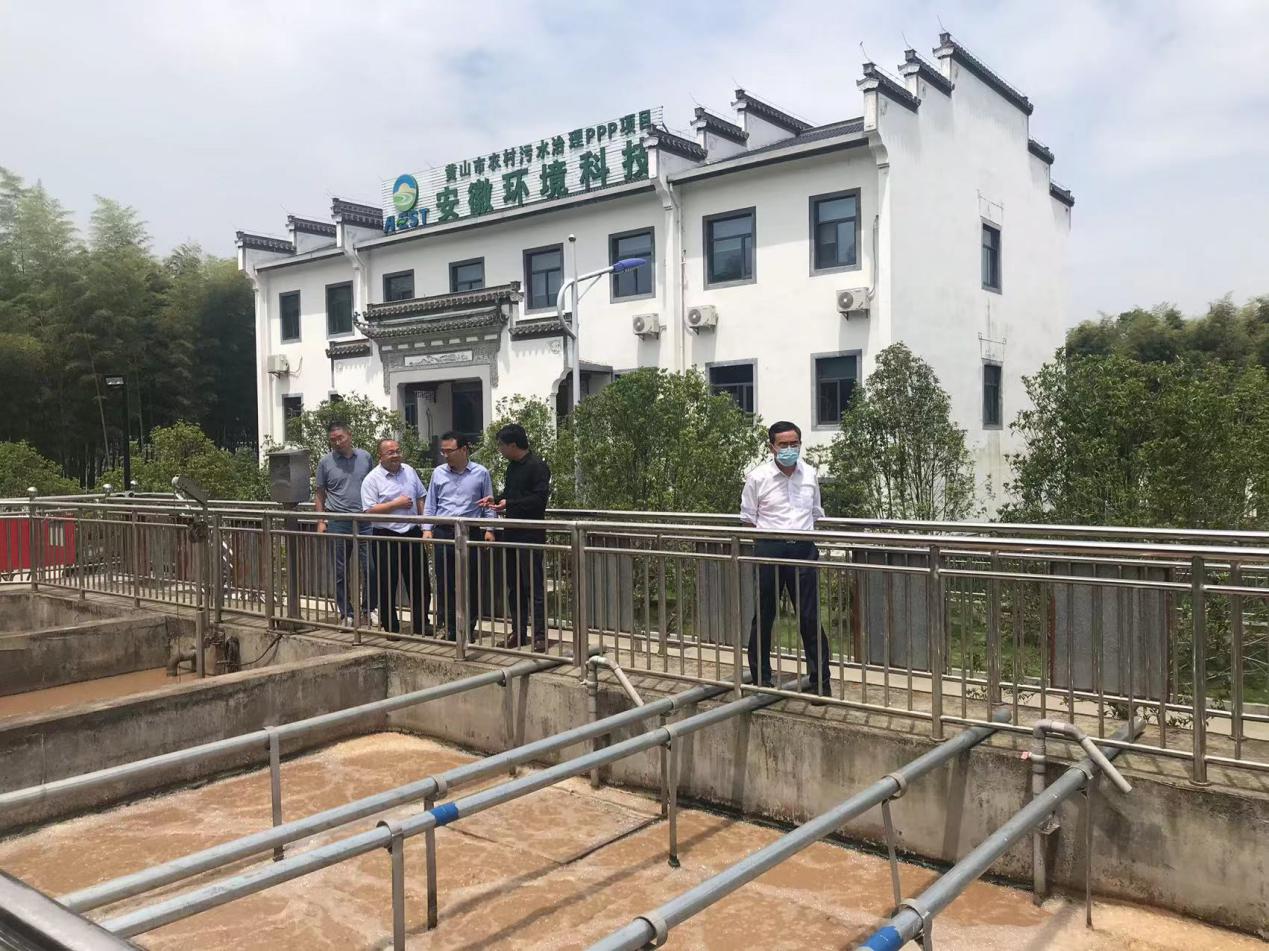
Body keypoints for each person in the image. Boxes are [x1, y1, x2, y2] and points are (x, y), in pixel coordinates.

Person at [740, 420, 833, 697]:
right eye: (783, 444)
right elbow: (748, 518)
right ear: (772, 447)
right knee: (764, 615)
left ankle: (820, 682)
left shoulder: (810, 474)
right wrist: (766, 543)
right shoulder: (758, 477)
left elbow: (815, 512)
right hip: (769, 549)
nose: (789, 449)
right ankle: (762, 679)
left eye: (794, 443)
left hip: (803, 549)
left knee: (809, 616)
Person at [479, 423, 551, 651]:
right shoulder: (511, 468)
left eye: (501, 445)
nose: (500, 450)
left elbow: (538, 500)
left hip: (530, 533)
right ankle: (518, 632)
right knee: (514, 586)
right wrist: (495, 500)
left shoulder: (538, 466)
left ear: (513, 445)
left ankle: (539, 635)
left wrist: (509, 503)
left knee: (534, 586)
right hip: (511, 532)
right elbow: (510, 495)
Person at [423, 431, 494, 641]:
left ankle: (468, 628)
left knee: (471, 582)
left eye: (449, 451)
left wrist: (490, 529)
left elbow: (488, 503)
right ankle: (449, 626)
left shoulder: (481, 473)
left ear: (464, 450)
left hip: (470, 532)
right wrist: (427, 529)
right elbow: (431, 503)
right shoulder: (438, 473)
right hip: (444, 531)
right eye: (443, 451)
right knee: (444, 582)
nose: (445, 455)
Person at [360, 437, 432, 637]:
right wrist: (396, 504)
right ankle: (391, 626)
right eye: (390, 452)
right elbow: (368, 510)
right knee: (387, 583)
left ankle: (421, 623)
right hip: (385, 535)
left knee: (420, 582)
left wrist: (425, 526)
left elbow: (420, 498)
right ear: (380, 456)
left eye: (398, 451)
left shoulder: (409, 471)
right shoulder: (372, 479)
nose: (395, 455)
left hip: (412, 532)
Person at [315, 422, 375, 627]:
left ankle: (369, 609)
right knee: (340, 571)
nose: (337, 442)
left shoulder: (365, 457)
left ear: (349, 435)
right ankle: (346, 613)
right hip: (338, 520)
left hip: (364, 520)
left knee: (371, 567)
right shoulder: (325, 462)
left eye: (340, 438)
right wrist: (321, 521)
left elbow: (374, 484)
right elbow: (320, 493)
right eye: (333, 440)